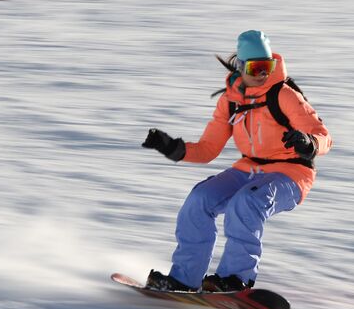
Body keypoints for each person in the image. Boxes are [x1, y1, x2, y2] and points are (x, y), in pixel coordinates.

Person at [141, 30, 332, 292]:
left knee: (247, 202)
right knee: (199, 199)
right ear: (241, 66)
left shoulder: (284, 95)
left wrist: (308, 144)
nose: (263, 73)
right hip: (249, 169)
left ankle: (235, 278)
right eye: (256, 67)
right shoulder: (230, 101)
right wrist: (173, 148)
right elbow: (208, 149)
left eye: (268, 66)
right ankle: (184, 278)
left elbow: (323, 136)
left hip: (291, 173)